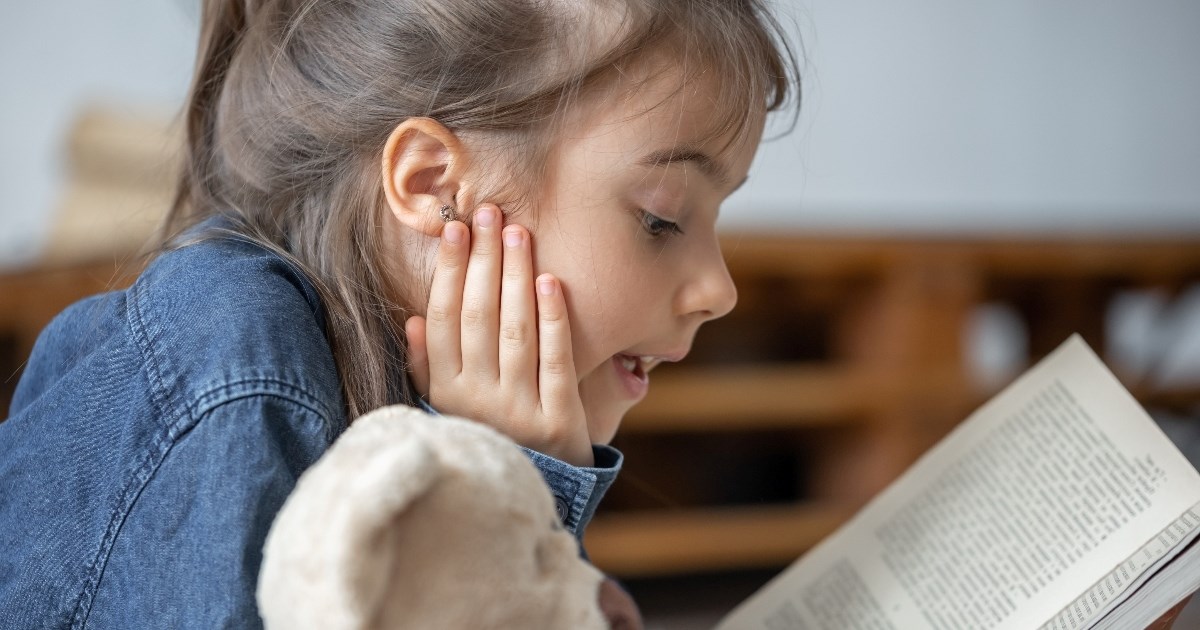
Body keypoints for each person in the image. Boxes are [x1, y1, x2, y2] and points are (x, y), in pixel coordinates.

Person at [0, 0, 795, 627]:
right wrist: (510, 494)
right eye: (662, 217)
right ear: (430, 185)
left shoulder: (429, 410)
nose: (718, 289)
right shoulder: (234, 362)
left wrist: (513, 486)